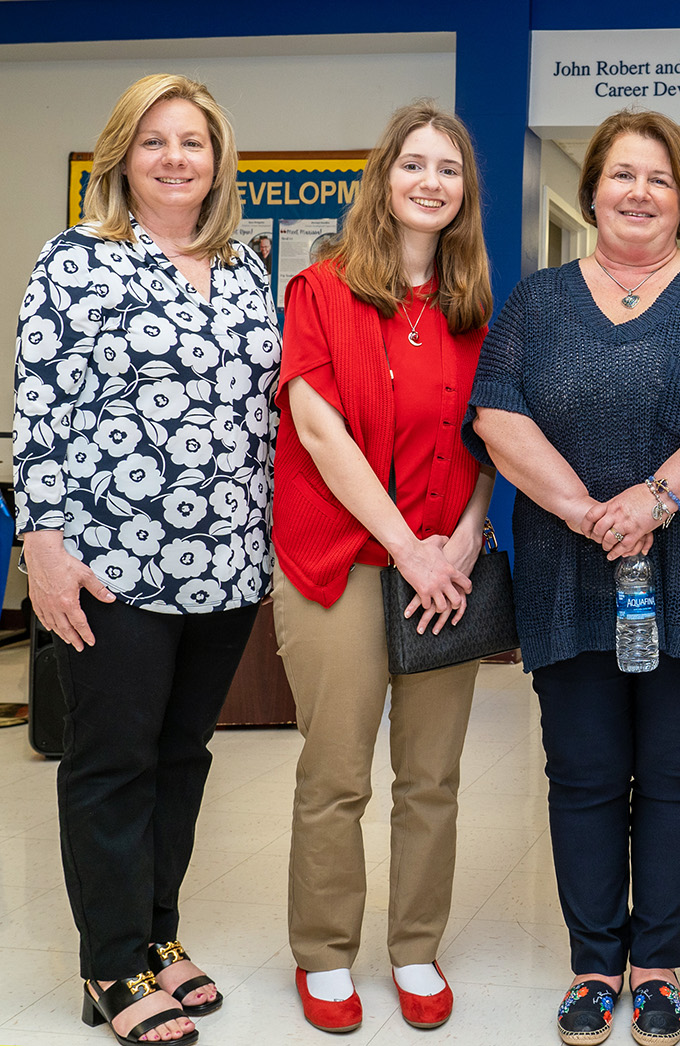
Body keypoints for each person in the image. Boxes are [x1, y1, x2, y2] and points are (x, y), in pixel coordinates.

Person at [465, 108, 680, 1046]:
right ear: (592, 189)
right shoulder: (536, 300)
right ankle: (596, 963)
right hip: (569, 575)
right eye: (621, 175)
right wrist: (578, 509)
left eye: (658, 177)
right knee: (585, 774)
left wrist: (653, 500)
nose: (639, 192)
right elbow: (496, 411)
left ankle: (659, 965)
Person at [12, 73, 278, 1045]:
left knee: (182, 755)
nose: (176, 158)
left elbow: (270, 415)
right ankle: (110, 963)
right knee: (111, 760)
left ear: (219, 161)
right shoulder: (78, 261)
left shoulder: (247, 268)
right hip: (109, 564)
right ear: (123, 155)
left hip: (228, 562)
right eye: (156, 141)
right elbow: (38, 412)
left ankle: (160, 937)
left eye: (194, 142)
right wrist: (41, 545)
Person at [271, 103, 495, 1034]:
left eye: (449, 169)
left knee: (431, 777)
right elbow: (318, 430)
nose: (431, 182)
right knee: (336, 771)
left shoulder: (475, 307)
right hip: (339, 558)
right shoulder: (321, 291)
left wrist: (469, 538)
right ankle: (324, 953)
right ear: (385, 178)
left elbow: (494, 437)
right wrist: (405, 545)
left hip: (445, 565)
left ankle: (414, 947)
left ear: (463, 194)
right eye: (415, 164)